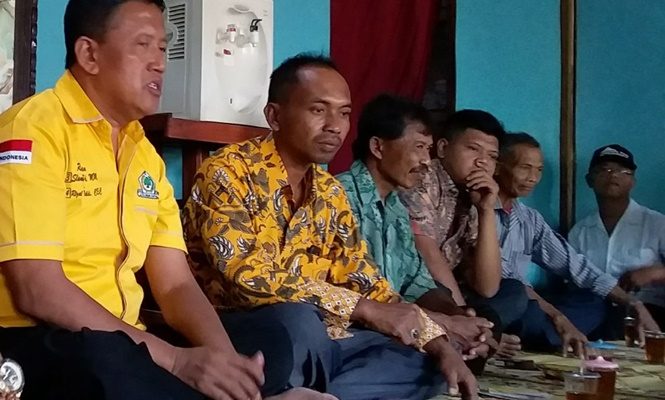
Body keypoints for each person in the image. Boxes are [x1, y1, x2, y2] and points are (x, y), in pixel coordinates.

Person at [0, 1, 306, 399]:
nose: (160, 63)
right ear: (89, 54)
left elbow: (175, 284)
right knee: (105, 364)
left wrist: (227, 365)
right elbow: (38, 291)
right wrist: (177, 362)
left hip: (128, 339)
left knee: (272, 335)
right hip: (40, 337)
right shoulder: (33, 128)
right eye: (142, 45)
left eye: (162, 48)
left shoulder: (143, 153)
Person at [183, 54, 479, 400]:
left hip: (321, 338)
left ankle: (306, 393)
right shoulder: (228, 172)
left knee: (426, 364)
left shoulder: (329, 192)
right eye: (318, 110)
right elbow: (246, 278)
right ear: (275, 116)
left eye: (344, 113)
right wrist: (364, 309)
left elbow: (365, 279)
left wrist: (436, 341)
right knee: (299, 323)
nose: (335, 126)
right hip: (242, 329)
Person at [336, 94, 498, 364]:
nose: (426, 160)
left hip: (403, 323)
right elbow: (359, 294)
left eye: (428, 149)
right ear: (378, 147)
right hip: (354, 329)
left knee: (471, 338)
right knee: (430, 364)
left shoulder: (396, 208)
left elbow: (417, 282)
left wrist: (458, 317)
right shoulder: (338, 197)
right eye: (419, 147)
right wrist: (442, 324)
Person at [492, 134, 660, 354]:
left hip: (646, 307)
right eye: (525, 168)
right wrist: (558, 317)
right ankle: (524, 337)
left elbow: (577, 267)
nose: (533, 178)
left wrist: (632, 302)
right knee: (519, 297)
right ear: (498, 167)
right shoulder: (480, 212)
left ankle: (539, 337)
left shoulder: (528, 218)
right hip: (495, 301)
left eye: (539, 170)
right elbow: (505, 278)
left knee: (592, 301)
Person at [400, 110, 525, 357]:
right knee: (438, 293)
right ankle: (481, 337)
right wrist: (463, 319)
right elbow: (428, 255)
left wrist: (486, 210)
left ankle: (481, 336)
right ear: (443, 148)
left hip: (455, 293)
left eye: (492, 156)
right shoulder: (422, 178)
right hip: (419, 290)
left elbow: (488, 287)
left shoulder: (475, 193)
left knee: (515, 293)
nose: (482, 162)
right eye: (473, 149)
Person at [570, 144, 665, 331]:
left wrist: (654, 273)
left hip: (649, 311)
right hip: (594, 312)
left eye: (623, 171)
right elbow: (571, 281)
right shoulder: (579, 232)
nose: (613, 175)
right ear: (589, 180)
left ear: (633, 181)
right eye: (605, 170)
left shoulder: (657, 224)